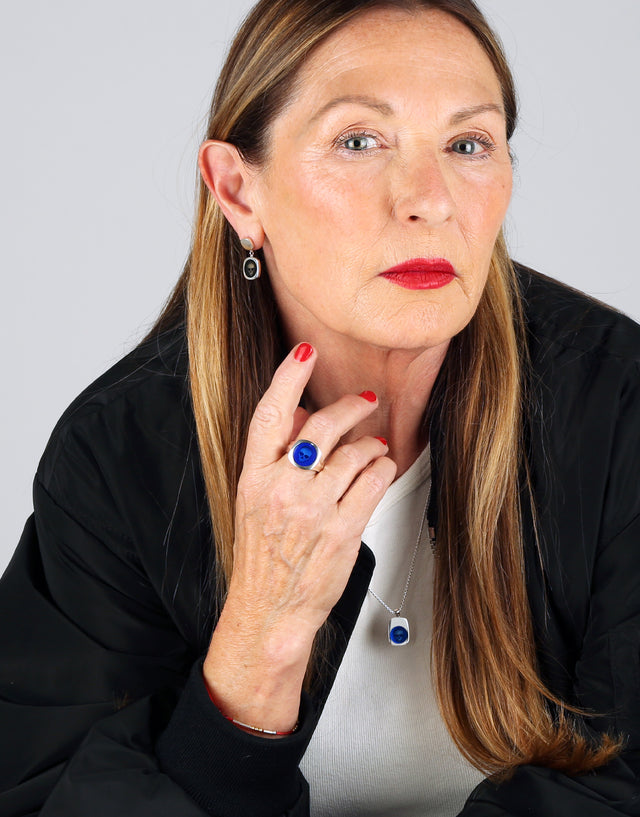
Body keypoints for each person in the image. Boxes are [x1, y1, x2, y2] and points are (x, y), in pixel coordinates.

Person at [1, 0, 639, 814]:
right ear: (239, 191)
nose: (429, 200)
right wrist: (258, 644)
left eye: (468, 144)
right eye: (359, 140)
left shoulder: (618, 402)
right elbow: (46, 796)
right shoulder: (118, 457)